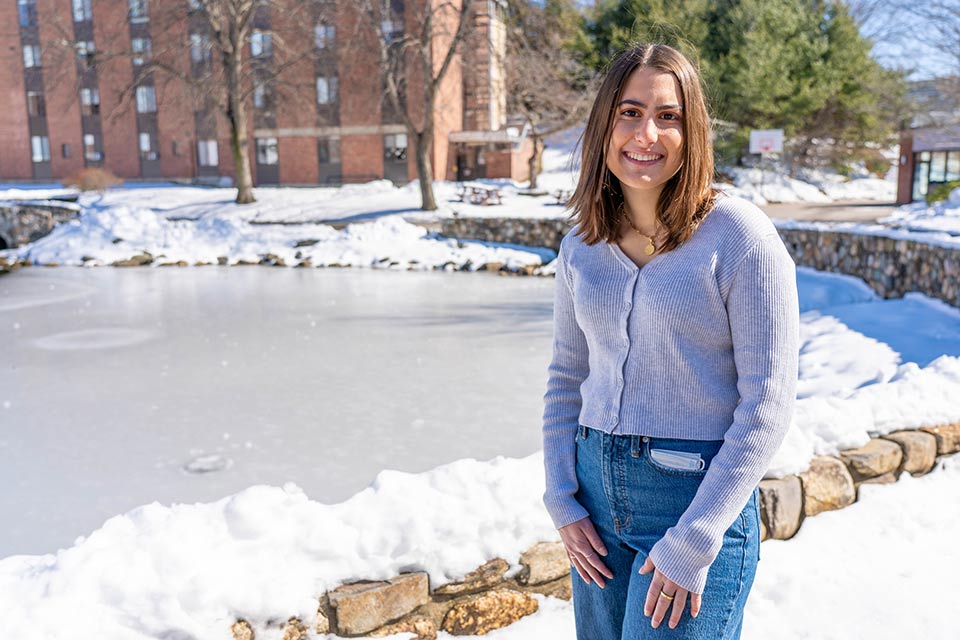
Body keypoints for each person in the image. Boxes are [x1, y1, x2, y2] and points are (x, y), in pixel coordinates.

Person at [541, 43, 799, 639]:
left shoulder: (740, 236)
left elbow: (767, 406)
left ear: (693, 129)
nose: (646, 133)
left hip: (692, 503)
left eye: (669, 115)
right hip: (596, 512)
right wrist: (561, 497)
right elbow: (564, 380)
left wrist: (696, 539)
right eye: (629, 112)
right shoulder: (581, 244)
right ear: (605, 123)